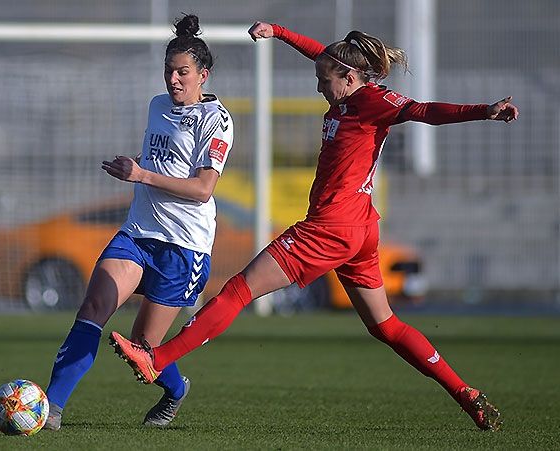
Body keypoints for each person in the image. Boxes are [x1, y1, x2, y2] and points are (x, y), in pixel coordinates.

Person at [109, 21, 518, 431]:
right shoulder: (344, 83)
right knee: (386, 326)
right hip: (360, 229)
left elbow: (424, 111)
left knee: (238, 290)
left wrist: (484, 111)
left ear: (349, 77)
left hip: (330, 228)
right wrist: (279, 32)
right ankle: (465, 394)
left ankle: (157, 359)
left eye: (324, 81)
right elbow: (319, 53)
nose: (319, 88)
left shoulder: (373, 101)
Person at [42, 14, 234, 430]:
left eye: (183, 72)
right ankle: (50, 410)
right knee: (93, 309)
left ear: (204, 74)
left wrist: (141, 175)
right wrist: (135, 172)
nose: (174, 80)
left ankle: (176, 389)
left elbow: (203, 189)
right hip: (138, 233)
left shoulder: (216, 122)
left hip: (184, 249)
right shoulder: (157, 106)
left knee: (144, 347)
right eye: (168, 71)